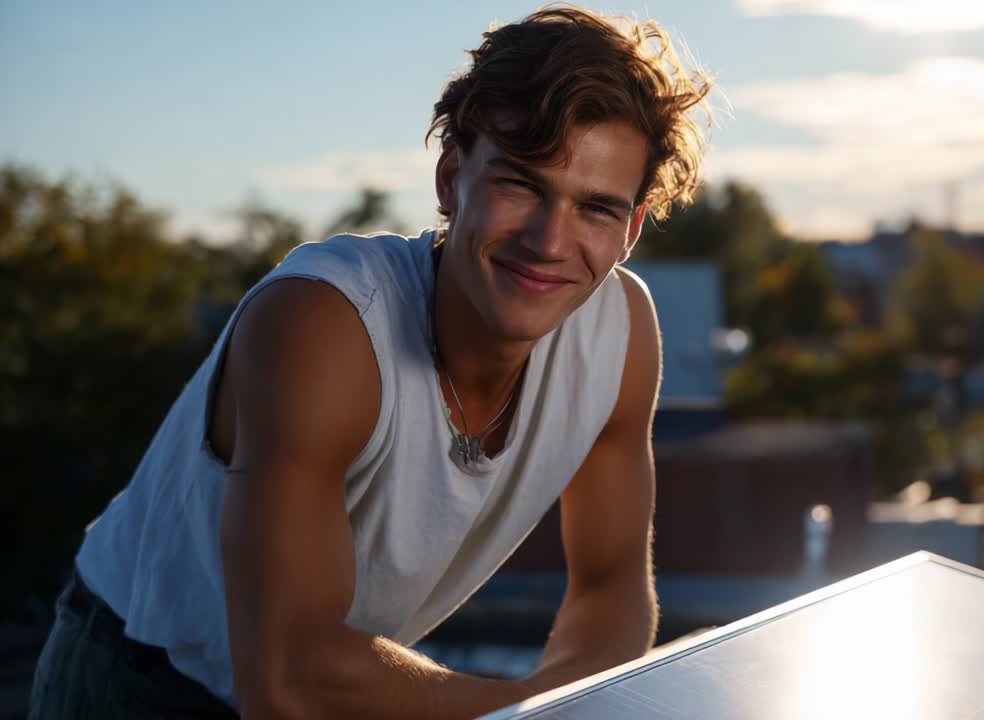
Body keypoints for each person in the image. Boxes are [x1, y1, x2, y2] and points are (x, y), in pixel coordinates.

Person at [28, 5, 713, 718]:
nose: (549, 240)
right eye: (521, 184)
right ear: (452, 179)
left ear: (632, 227)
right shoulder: (323, 324)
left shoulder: (620, 336)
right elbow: (289, 679)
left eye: (596, 209)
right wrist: (518, 708)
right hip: (138, 681)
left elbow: (608, 587)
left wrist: (555, 705)